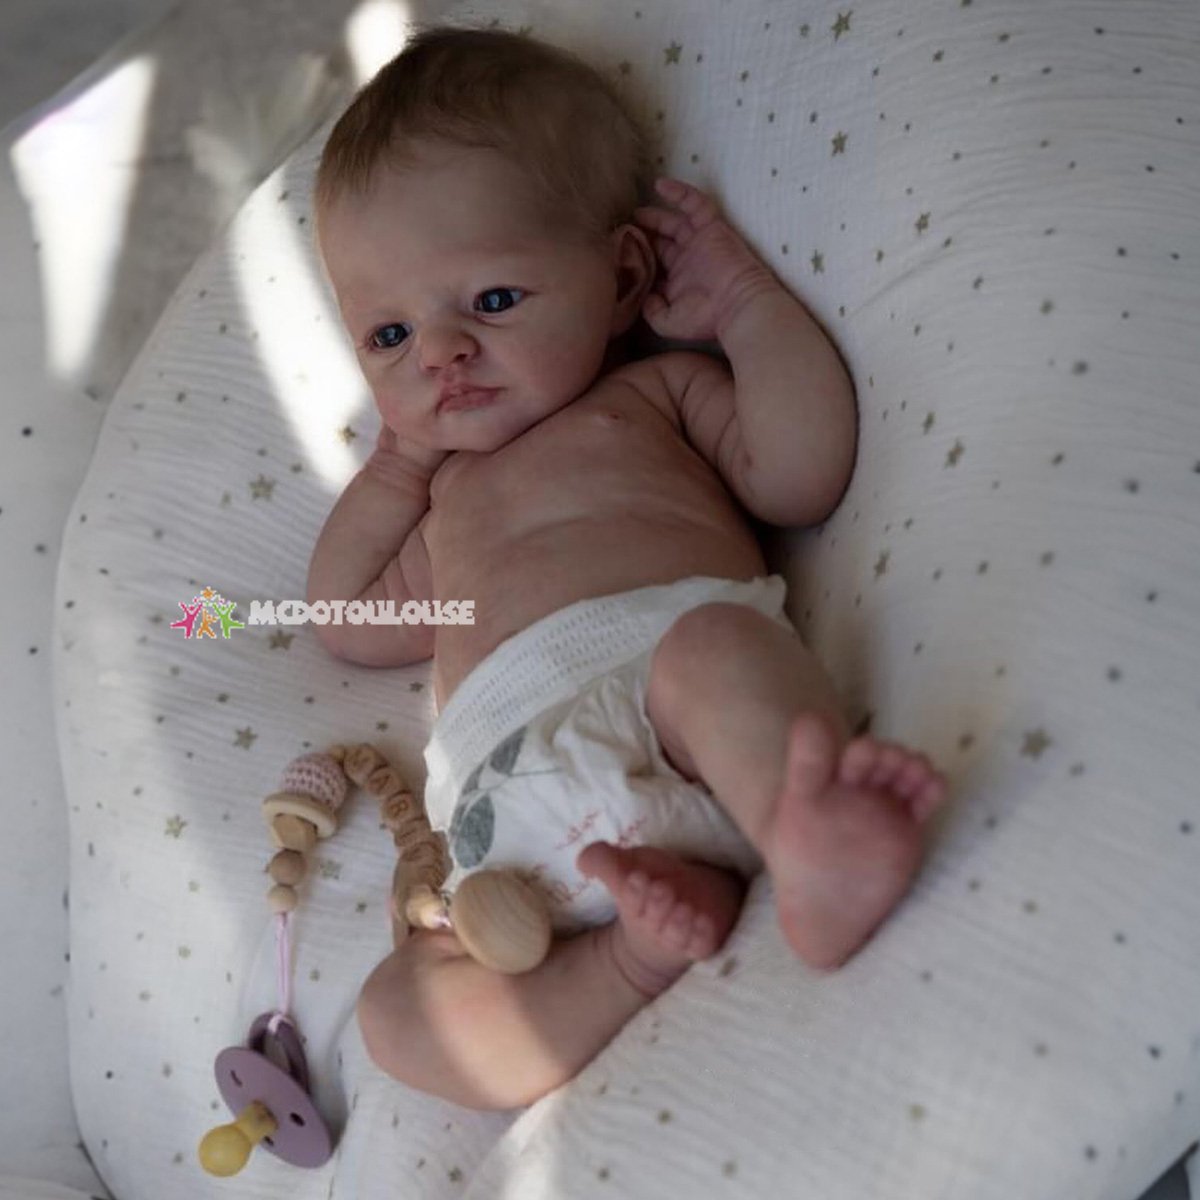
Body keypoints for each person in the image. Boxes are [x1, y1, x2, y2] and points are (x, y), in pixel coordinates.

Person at [307, 25, 947, 1110]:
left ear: (622, 276)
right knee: (393, 1015)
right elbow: (345, 617)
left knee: (721, 649)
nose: (440, 355)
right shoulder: (446, 505)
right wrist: (397, 464)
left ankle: (805, 840)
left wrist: (744, 308)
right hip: (511, 831)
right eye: (389, 337)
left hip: (671, 702)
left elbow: (801, 472)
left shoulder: (652, 399)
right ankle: (626, 962)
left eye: (491, 302)